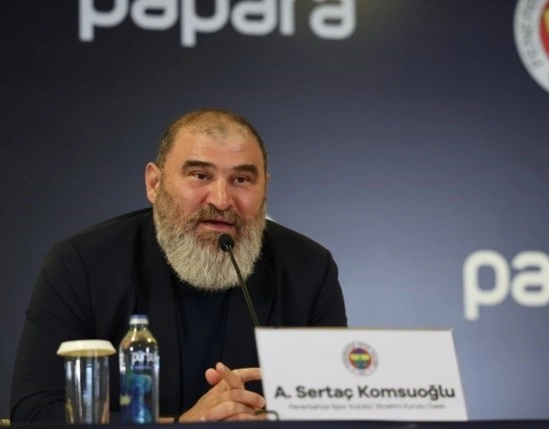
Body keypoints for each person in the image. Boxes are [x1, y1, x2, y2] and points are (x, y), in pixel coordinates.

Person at [10, 108, 347, 422]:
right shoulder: (82, 263)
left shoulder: (309, 269)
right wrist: (184, 425)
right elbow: (34, 411)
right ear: (154, 184)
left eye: (241, 180)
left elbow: (339, 409)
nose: (221, 200)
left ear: (265, 189)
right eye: (200, 175)